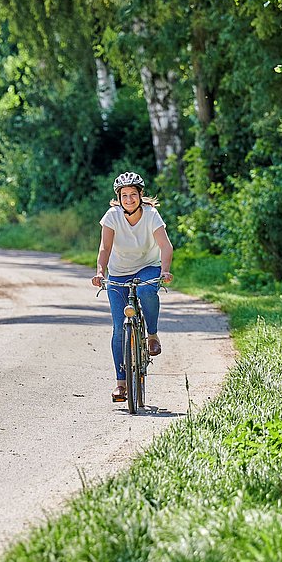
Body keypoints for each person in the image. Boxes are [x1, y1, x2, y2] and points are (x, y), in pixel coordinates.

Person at [90, 171, 174, 402]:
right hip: (118, 272)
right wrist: (100, 272)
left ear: (140, 195)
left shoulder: (151, 215)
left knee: (147, 290)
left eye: (133, 194)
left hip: (147, 266)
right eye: (124, 195)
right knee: (119, 328)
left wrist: (164, 270)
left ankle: (153, 336)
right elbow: (105, 248)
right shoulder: (111, 216)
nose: (129, 199)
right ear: (118, 197)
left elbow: (165, 246)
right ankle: (121, 384)